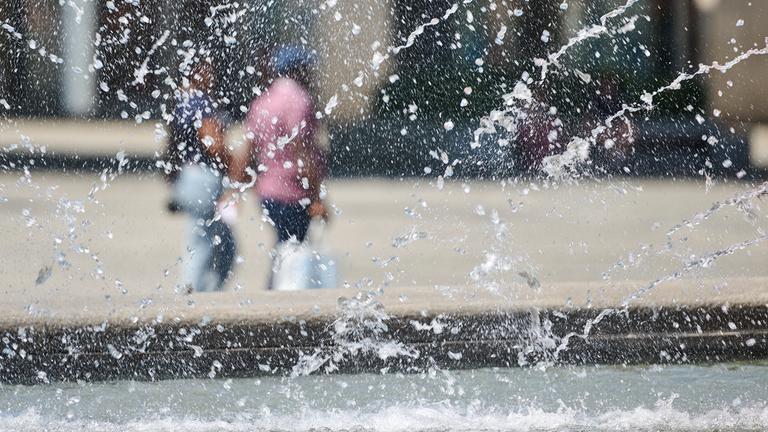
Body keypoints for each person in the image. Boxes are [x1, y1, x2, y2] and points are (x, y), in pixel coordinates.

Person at [230, 45, 328, 288]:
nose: (312, 73)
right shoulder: (299, 101)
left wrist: (234, 187)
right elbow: (301, 151)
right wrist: (317, 196)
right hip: (293, 191)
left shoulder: (263, 101)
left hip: (267, 192)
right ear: (296, 69)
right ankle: (281, 303)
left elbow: (248, 149)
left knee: (284, 248)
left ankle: (275, 297)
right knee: (293, 252)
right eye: (307, 67)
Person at [164, 60, 236, 293]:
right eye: (205, 69)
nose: (211, 74)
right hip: (204, 179)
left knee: (221, 244)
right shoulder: (201, 102)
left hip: (188, 177)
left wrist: (175, 182)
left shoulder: (180, 102)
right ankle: (189, 301)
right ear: (194, 73)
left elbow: (171, 147)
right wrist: (233, 164)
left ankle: (205, 294)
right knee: (203, 244)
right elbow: (213, 143)